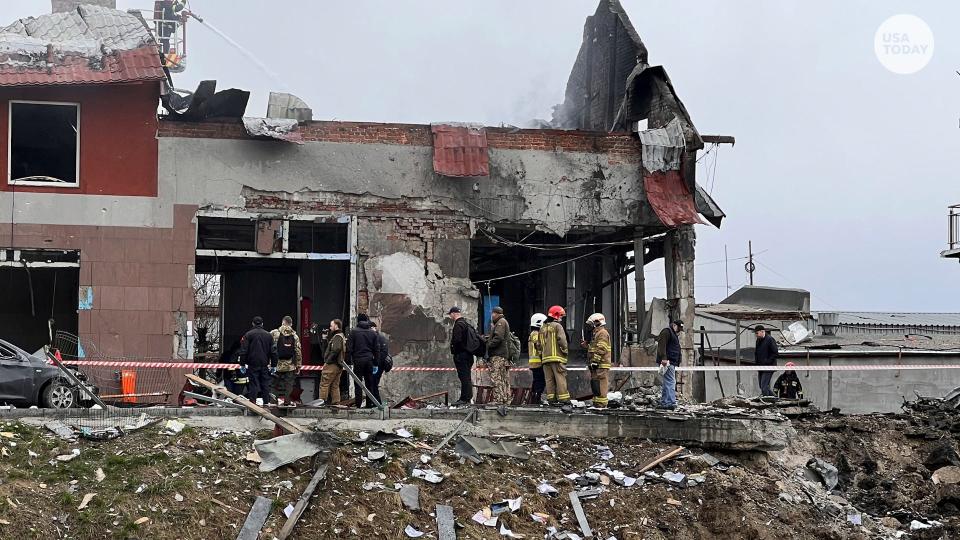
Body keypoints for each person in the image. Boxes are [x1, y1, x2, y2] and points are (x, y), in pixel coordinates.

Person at [238, 316, 278, 406]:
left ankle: (253, 402)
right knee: (265, 384)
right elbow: (274, 352)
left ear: (253, 323)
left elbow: (243, 351)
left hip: (252, 364)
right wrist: (274, 365)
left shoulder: (248, 335)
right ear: (262, 324)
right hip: (264, 364)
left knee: (253, 384)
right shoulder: (269, 336)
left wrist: (242, 364)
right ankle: (266, 403)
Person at [539, 305, 570, 405]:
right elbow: (562, 340)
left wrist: (542, 355)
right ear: (556, 316)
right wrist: (565, 351)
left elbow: (538, 345)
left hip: (545, 359)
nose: (561, 318)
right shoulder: (557, 326)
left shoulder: (542, 328)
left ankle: (551, 399)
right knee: (560, 377)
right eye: (561, 316)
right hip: (557, 358)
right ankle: (563, 399)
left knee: (549, 380)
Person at [347, 313, 380, 408]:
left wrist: (349, 361)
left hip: (358, 361)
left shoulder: (353, 332)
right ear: (366, 320)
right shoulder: (372, 333)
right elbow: (376, 349)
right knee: (369, 383)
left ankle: (358, 404)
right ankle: (369, 404)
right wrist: (376, 363)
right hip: (369, 361)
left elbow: (349, 348)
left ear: (358, 321)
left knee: (358, 383)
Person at [270, 315, 302, 406]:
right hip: (290, 365)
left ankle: (273, 402)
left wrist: (269, 362)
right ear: (291, 324)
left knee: (274, 384)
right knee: (289, 384)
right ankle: (287, 402)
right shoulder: (295, 336)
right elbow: (298, 352)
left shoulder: (274, 333)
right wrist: (298, 365)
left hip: (277, 364)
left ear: (282, 322)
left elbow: (269, 347)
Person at [448, 306, 477, 405]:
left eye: (450, 314)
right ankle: (466, 398)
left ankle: (465, 399)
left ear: (453, 313)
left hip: (462, 355)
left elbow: (457, 340)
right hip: (468, 355)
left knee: (464, 377)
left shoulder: (458, 325)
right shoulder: (466, 324)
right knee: (466, 377)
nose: (450, 316)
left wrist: (455, 352)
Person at [485, 307, 512, 407]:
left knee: (496, 377)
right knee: (504, 378)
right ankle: (506, 399)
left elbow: (499, 337)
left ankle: (499, 399)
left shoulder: (500, 322)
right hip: (503, 355)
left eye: (492, 313)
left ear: (495, 313)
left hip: (498, 355)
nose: (491, 315)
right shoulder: (502, 322)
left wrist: (489, 344)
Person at [583, 313, 612, 408]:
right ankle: (597, 402)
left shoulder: (602, 333)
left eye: (592, 324)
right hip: (596, 363)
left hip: (601, 364)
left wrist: (595, 361)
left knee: (601, 384)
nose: (591, 326)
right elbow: (594, 348)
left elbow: (601, 349)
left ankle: (602, 404)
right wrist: (586, 346)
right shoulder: (596, 333)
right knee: (596, 384)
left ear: (597, 322)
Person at [656, 320, 683, 410]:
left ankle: (665, 402)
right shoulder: (667, 332)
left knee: (667, 382)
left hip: (670, 361)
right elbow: (661, 345)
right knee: (671, 382)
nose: (679, 330)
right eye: (678, 328)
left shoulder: (672, 333)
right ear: (674, 325)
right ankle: (669, 402)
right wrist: (664, 358)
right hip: (668, 361)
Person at [318, 319, 345, 405]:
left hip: (332, 364)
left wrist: (328, 360)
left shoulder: (337, 337)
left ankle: (321, 402)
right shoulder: (341, 336)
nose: (330, 328)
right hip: (338, 365)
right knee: (335, 385)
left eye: (331, 325)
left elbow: (336, 349)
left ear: (336, 326)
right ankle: (336, 403)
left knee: (324, 384)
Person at [528, 313, 547, 405]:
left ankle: (535, 398)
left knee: (537, 380)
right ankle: (536, 399)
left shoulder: (533, 333)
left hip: (535, 363)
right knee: (540, 381)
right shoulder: (536, 334)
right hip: (538, 362)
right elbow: (538, 345)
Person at [368, 320, 388, 406]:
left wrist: (375, 364)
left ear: (374, 328)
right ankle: (375, 403)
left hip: (378, 365)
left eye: (370, 328)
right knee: (373, 384)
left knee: (373, 384)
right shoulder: (378, 337)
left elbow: (383, 353)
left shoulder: (379, 338)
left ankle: (377, 404)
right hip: (377, 365)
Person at [755, 325, 779, 397]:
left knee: (764, 387)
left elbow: (775, 353)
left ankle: (767, 402)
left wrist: (767, 361)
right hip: (761, 367)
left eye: (757, 333)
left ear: (762, 331)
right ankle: (775, 399)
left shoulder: (770, 339)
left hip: (768, 367)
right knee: (762, 386)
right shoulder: (758, 340)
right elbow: (757, 353)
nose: (756, 335)